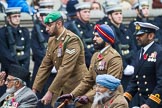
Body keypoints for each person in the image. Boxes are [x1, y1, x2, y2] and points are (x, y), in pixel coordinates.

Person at [32, 11, 89, 107]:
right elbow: (45, 66)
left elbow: (66, 68)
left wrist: (50, 92)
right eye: (46, 25)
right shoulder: (52, 40)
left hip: (77, 89)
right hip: (61, 88)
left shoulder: (72, 40)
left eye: (49, 25)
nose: (46, 29)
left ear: (59, 24)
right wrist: (34, 89)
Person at [58, 24, 123, 106]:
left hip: (111, 102)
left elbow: (109, 85)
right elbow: (88, 80)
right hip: (98, 100)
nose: (94, 39)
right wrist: (72, 95)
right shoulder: (96, 56)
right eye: (94, 36)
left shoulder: (114, 57)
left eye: (97, 36)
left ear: (106, 39)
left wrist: (88, 97)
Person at [98, 1, 137, 91]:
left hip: (130, 69)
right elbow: (113, 51)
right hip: (117, 70)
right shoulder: (108, 32)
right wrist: (125, 66)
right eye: (116, 14)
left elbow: (134, 48)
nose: (119, 16)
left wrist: (133, 65)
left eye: (120, 13)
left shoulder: (126, 30)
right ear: (109, 16)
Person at [124, 22, 162, 108]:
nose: (137, 37)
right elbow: (135, 81)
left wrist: (149, 103)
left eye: (141, 35)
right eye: (137, 35)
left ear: (150, 36)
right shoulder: (139, 53)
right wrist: (124, 98)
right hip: (142, 102)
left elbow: (161, 83)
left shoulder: (159, 52)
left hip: (156, 103)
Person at [31, 8, 53, 108]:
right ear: (40, 17)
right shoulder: (36, 30)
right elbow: (36, 52)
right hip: (41, 70)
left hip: (53, 71)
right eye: (45, 17)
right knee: (39, 101)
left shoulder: (54, 31)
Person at [0, 7, 30, 71]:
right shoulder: (2, 32)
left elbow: (27, 52)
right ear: (8, 18)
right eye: (14, 16)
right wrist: (16, 68)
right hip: (9, 69)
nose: (17, 18)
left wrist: (24, 68)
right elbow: (4, 54)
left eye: (19, 16)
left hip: (23, 68)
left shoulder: (25, 31)